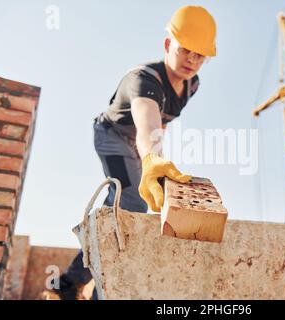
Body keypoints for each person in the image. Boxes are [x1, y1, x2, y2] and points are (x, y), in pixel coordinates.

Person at [51, 5, 217, 300]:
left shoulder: (192, 85)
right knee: (131, 204)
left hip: (140, 144)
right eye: (185, 50)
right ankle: (80, 289)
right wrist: (151, 157)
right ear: (168, 44)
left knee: (119, 208)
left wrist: (159, 162)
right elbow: (147, 122)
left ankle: (71, 281)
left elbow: (161, 125)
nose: (192, 60)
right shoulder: (144, 79)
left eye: (200, 55)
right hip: (113, 137)